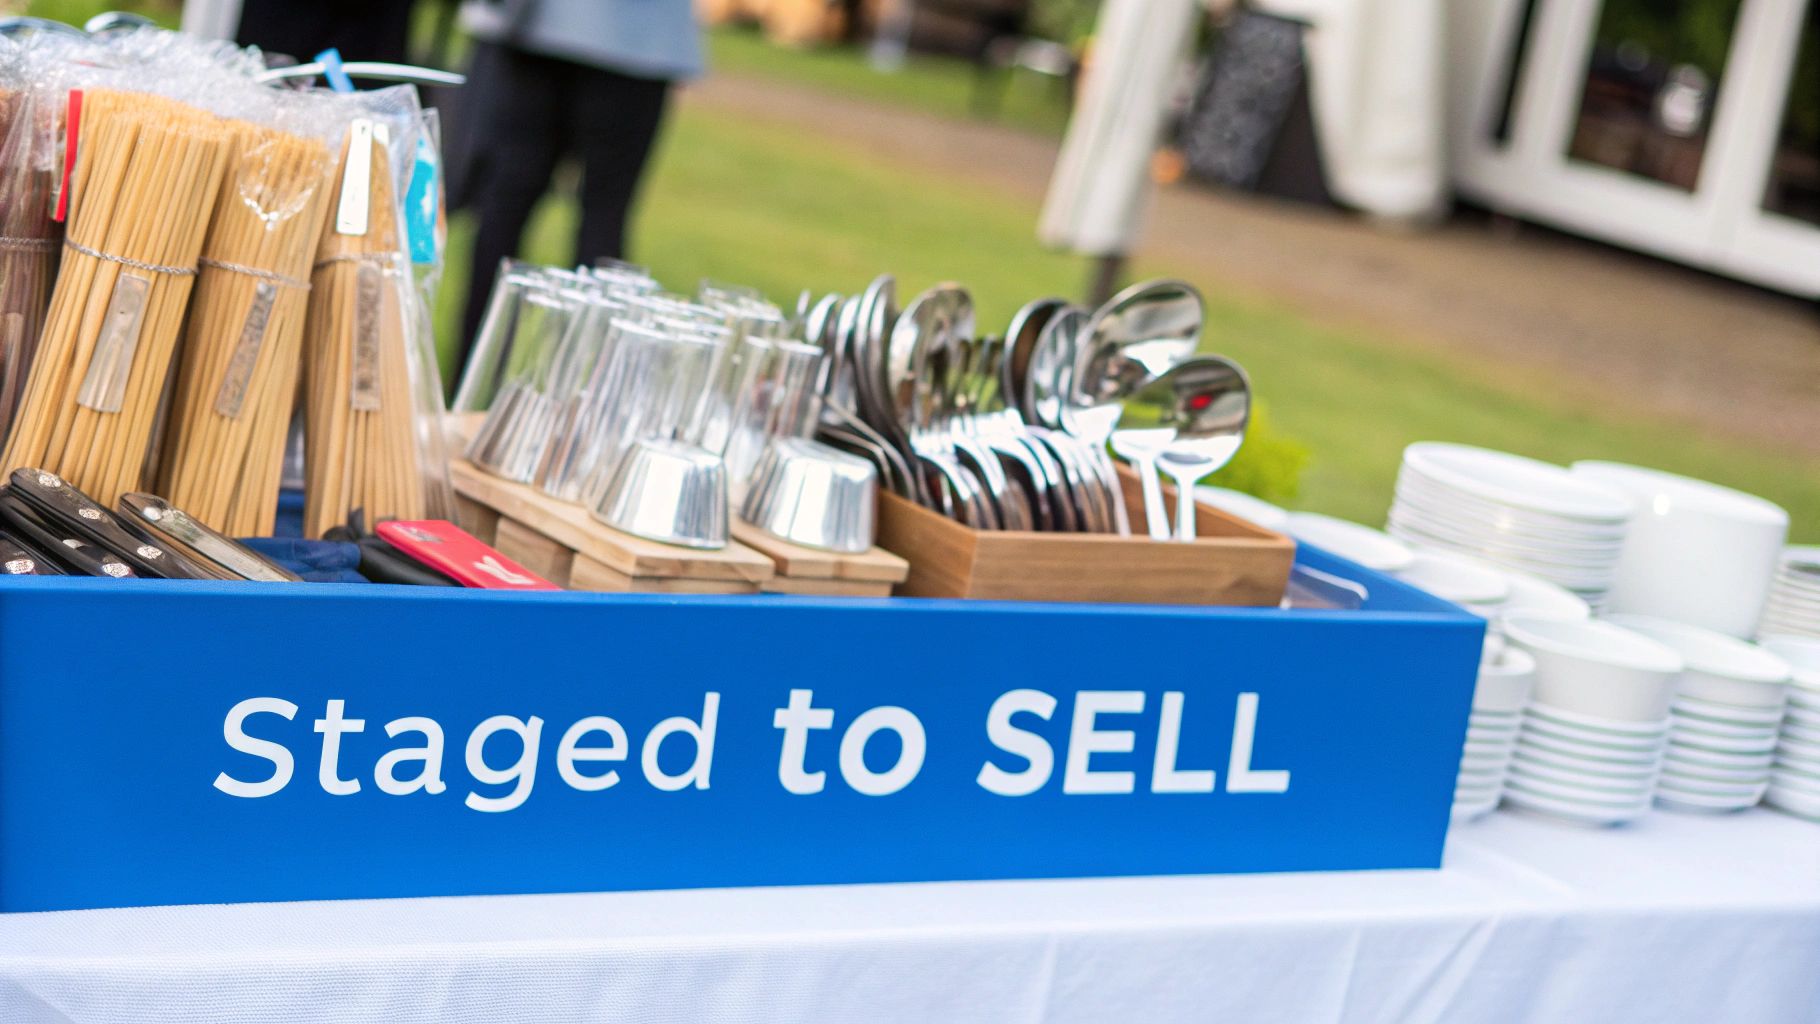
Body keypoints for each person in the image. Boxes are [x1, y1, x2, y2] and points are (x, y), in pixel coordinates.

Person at [447, 0, 703, 374]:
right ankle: (579, 400)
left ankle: (473, 382)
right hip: (631, 41)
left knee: (507, 213)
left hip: (545, 25)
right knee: (592, 220)